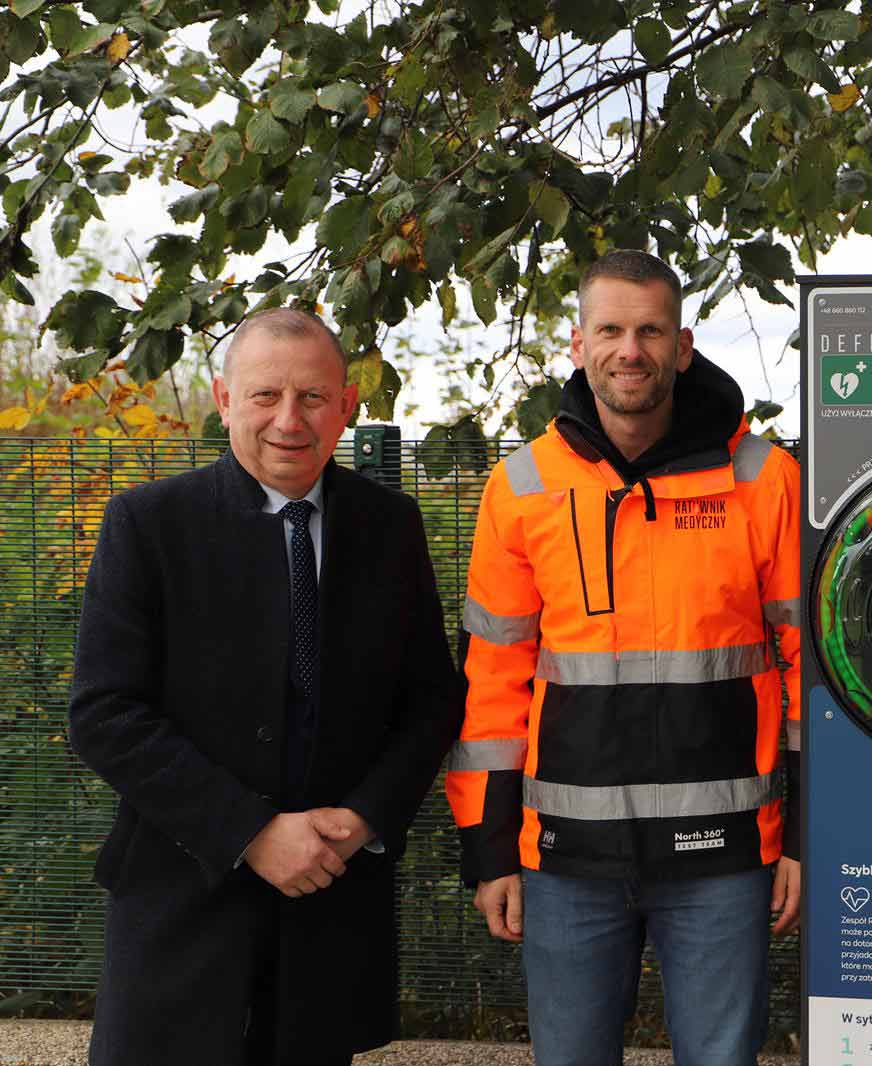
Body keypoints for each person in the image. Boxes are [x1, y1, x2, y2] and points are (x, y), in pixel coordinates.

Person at [68, 308, 464, 1066]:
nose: (290, 420)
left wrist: (365, 816)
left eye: (314, 397)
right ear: (223, 398)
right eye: (264, 396)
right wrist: (249, 831)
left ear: (347, 406)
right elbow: (104, 713)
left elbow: (430, 699)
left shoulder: (391, 526)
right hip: (178, 914)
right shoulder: (148, 524)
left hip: (326, 912)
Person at [446, 249, 802, 1066]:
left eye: (650, 331)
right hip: (568, 862)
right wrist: (492, 852)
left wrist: (804, 841)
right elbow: (492, 683)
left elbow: (805, 669)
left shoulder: (763, 479)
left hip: (725, 856)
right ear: (578, 343)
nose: (629, 350)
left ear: (682, 346)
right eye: (610, 329)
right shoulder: (523, 484)